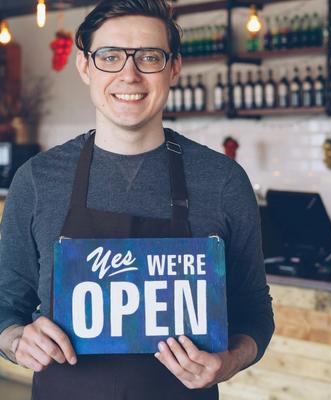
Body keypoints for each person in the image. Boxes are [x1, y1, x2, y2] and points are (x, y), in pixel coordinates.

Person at [0, 1, 274, 399]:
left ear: (174, 68)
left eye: (149, 57)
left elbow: (254, 312)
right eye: (110, 56)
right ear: (85, 67)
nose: (129, 75)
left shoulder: (223, 180)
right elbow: (6, 305)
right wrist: (16, 339)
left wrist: (229, 361)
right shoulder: (37, 180)